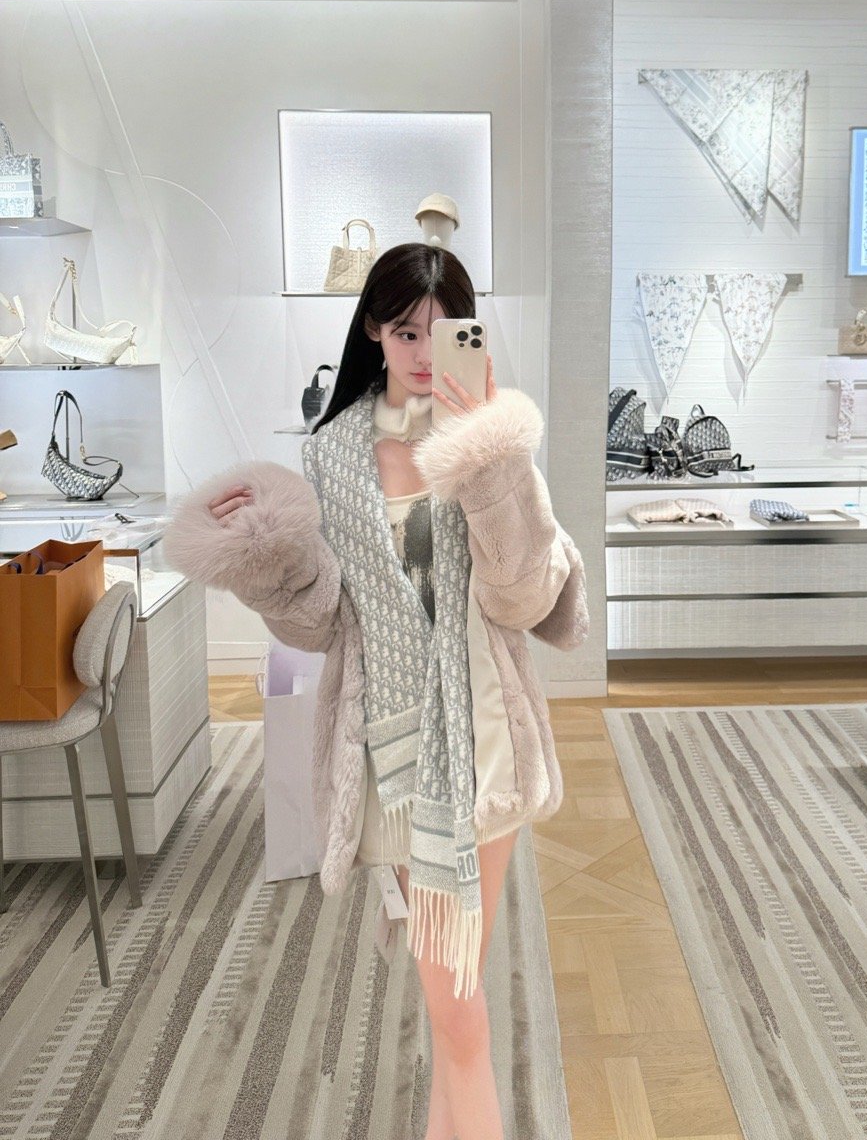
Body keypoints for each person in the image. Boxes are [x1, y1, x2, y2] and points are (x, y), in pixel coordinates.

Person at [164, 242, 589, 1140]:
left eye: (445, 331)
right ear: (373, 331)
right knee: (453, 1004)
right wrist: (267, 550)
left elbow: (521, 596)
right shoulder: (333, 455)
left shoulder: (495, 440)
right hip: (391, 752)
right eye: (405, 331)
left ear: (472, 332)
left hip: (485, 741)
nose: (426, 353)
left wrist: (485, 458)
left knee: (456, 1008)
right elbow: (326, 623)